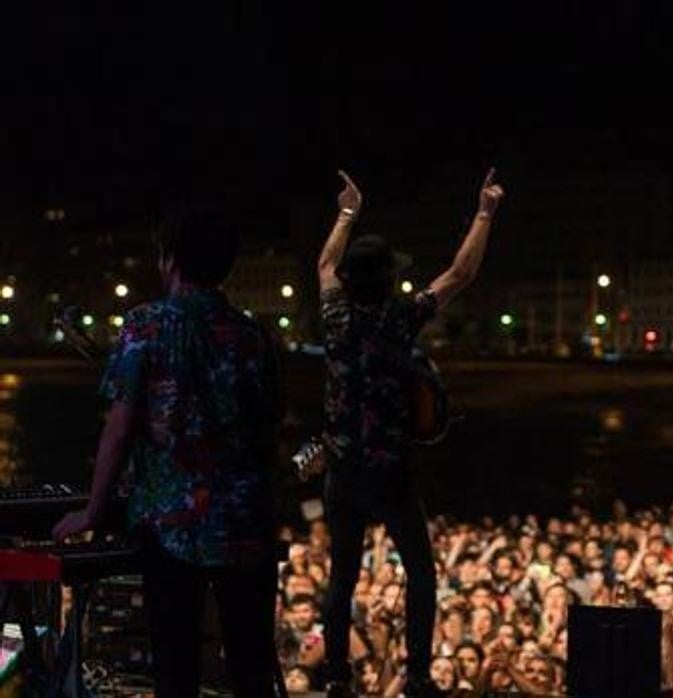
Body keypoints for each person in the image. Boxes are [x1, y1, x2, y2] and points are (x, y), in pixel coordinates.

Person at [53, 210, 282, 696]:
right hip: (246, 523)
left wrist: (93, 509)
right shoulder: (253, 336)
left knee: (175, 669)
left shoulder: (147, 325)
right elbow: (267, 430)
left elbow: (118, 427)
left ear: (170, 261)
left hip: (172, 526)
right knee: (251, 667)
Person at [318, 168, 504, 697]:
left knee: (342, 576)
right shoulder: (399, 318)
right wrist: (485, 212)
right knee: (420, 572)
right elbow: (460, 274)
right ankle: (419, 676)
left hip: (342, 468)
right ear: (388, 281)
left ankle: (336, 679)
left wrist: (348, 210)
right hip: (390, 471)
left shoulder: (334, 314)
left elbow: (326, 261)